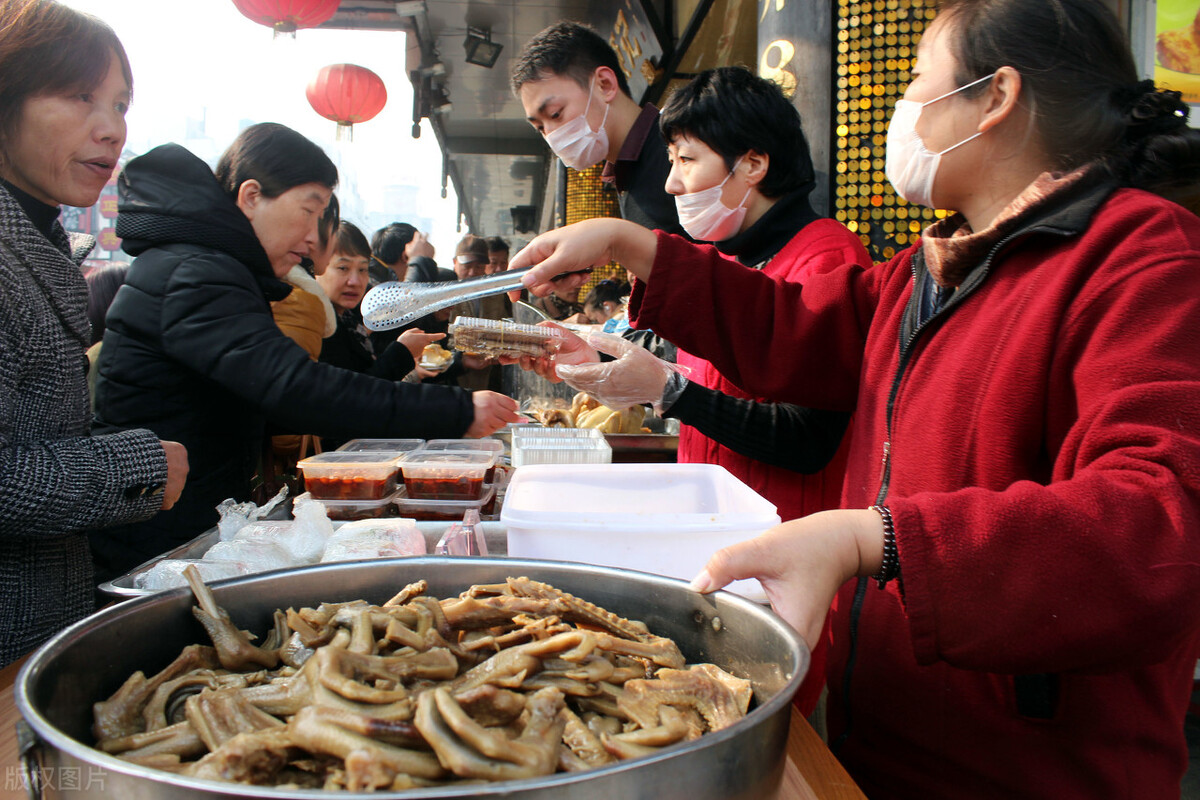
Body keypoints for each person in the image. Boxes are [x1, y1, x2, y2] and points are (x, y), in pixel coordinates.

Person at [511, 0, 1200, 795]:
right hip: (891, 733)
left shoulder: (1143, 259)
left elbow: (1162, 523)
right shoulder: (936, 263)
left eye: (916, 80)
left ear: (997, 96)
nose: (904, 109)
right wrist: (633, 244)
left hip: (1035, 767)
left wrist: (878, 540)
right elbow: (798, 326)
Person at [92, 123, 521, 579]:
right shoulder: (194, 272)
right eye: (309, 211)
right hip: (154, 525)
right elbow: (294, 388)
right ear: (251, 196)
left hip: (177, 516)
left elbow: (276, 397)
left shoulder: (208, 267)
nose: (316, 238)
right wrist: (454, 410)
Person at [0, 0, 188, 665]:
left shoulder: (39, 241)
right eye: (80, 98)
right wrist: (135, 466)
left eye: (120, 104)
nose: (110, 129)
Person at [513, 21, 685, 237]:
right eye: (540, 128)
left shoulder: (682, 149)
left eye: (555, 113)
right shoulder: (626, 179)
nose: (552, 136)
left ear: (605, 84)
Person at [316, 220, 441, 381]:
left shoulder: (349, 320)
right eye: (343, 268)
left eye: (362, 270)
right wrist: (402, 352)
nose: (355, 281)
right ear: (318, 266)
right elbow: (352, 393)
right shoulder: (317, 323)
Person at [369, 221, 436, 286]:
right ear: (405, 257)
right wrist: (420, 260)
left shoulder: (372, 279)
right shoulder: (375, 287)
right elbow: (412, 296)